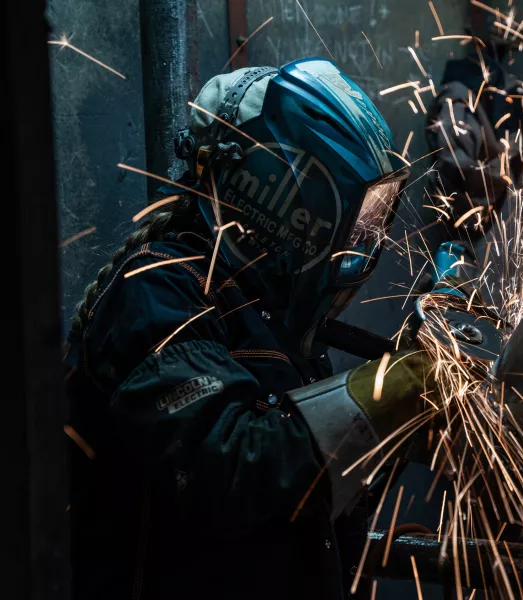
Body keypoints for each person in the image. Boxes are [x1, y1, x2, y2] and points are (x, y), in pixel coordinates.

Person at [64, 58, 428, 599]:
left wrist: (401, 432)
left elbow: (301, 503)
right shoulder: (158, 289)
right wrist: (395, 389)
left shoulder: (269, 319)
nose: (362, 239)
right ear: (288, 200)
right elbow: (225, 470)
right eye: (356, 220)